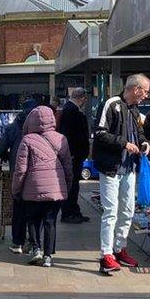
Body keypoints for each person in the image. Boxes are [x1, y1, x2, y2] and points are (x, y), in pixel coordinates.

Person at [92, 73, 150, 275]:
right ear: (135, 89)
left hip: (129, 168)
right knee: (110, 211)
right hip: (111, 167)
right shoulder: (111, 104)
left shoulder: (134, 110)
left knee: (127, 211)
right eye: (145, 92)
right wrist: (124, 143)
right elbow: (99, 133)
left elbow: (141, 134)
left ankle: (120, 248)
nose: (146, 96)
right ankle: (106, 254)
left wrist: (144, 144)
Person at [12, 106, 73, 267]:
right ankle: (48, 256)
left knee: (32, 219)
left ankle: (36, 249)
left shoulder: (27, 139)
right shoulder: (61, 139)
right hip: (55, 188)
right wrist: (67, 185)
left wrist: (16, 189)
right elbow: (68, 166)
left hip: (33, 187)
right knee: (50, 221)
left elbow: (20, 169)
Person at [0, 99, 39, 253]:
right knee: (35, 209)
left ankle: (17, 242)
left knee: (19, 207)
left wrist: (6, 155)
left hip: (18, 172)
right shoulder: (41, 127)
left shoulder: (13, 127)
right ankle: (34, 242)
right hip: (37, 174)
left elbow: (0, 148)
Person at [56, 88, 91, 224]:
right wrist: (71, 154)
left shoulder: (70, 110)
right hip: (73, 155)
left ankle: (74, 210)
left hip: (74, 154)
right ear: (82, 98)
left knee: (74, 184)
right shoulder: (72, 111)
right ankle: (69, 212)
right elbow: (70, 135)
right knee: (72, 184)